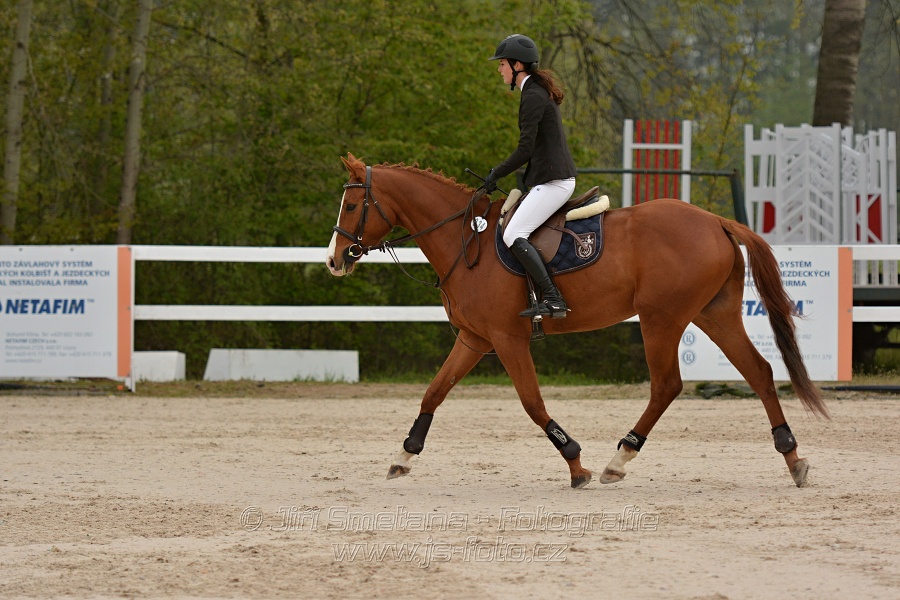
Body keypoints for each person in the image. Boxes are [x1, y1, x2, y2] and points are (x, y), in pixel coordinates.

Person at [483, 34, 578, 320]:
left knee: (513, 232)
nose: (499, 69)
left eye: (502, 64)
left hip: (555, 182)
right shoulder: (534, 91)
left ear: (517, 65)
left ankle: (553, 298)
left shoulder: (533, 96)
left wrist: (496, 173)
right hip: (549, 179)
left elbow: (525, 149)